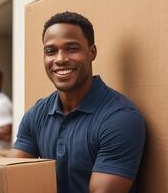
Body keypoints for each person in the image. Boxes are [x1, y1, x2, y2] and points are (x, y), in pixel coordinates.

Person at [12, 11, 145, 193]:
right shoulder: (37, 114)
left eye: (71, 48)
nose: (60, 59)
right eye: (50, 51)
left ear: (92, 52)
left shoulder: (120, 118)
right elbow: (12, 179)